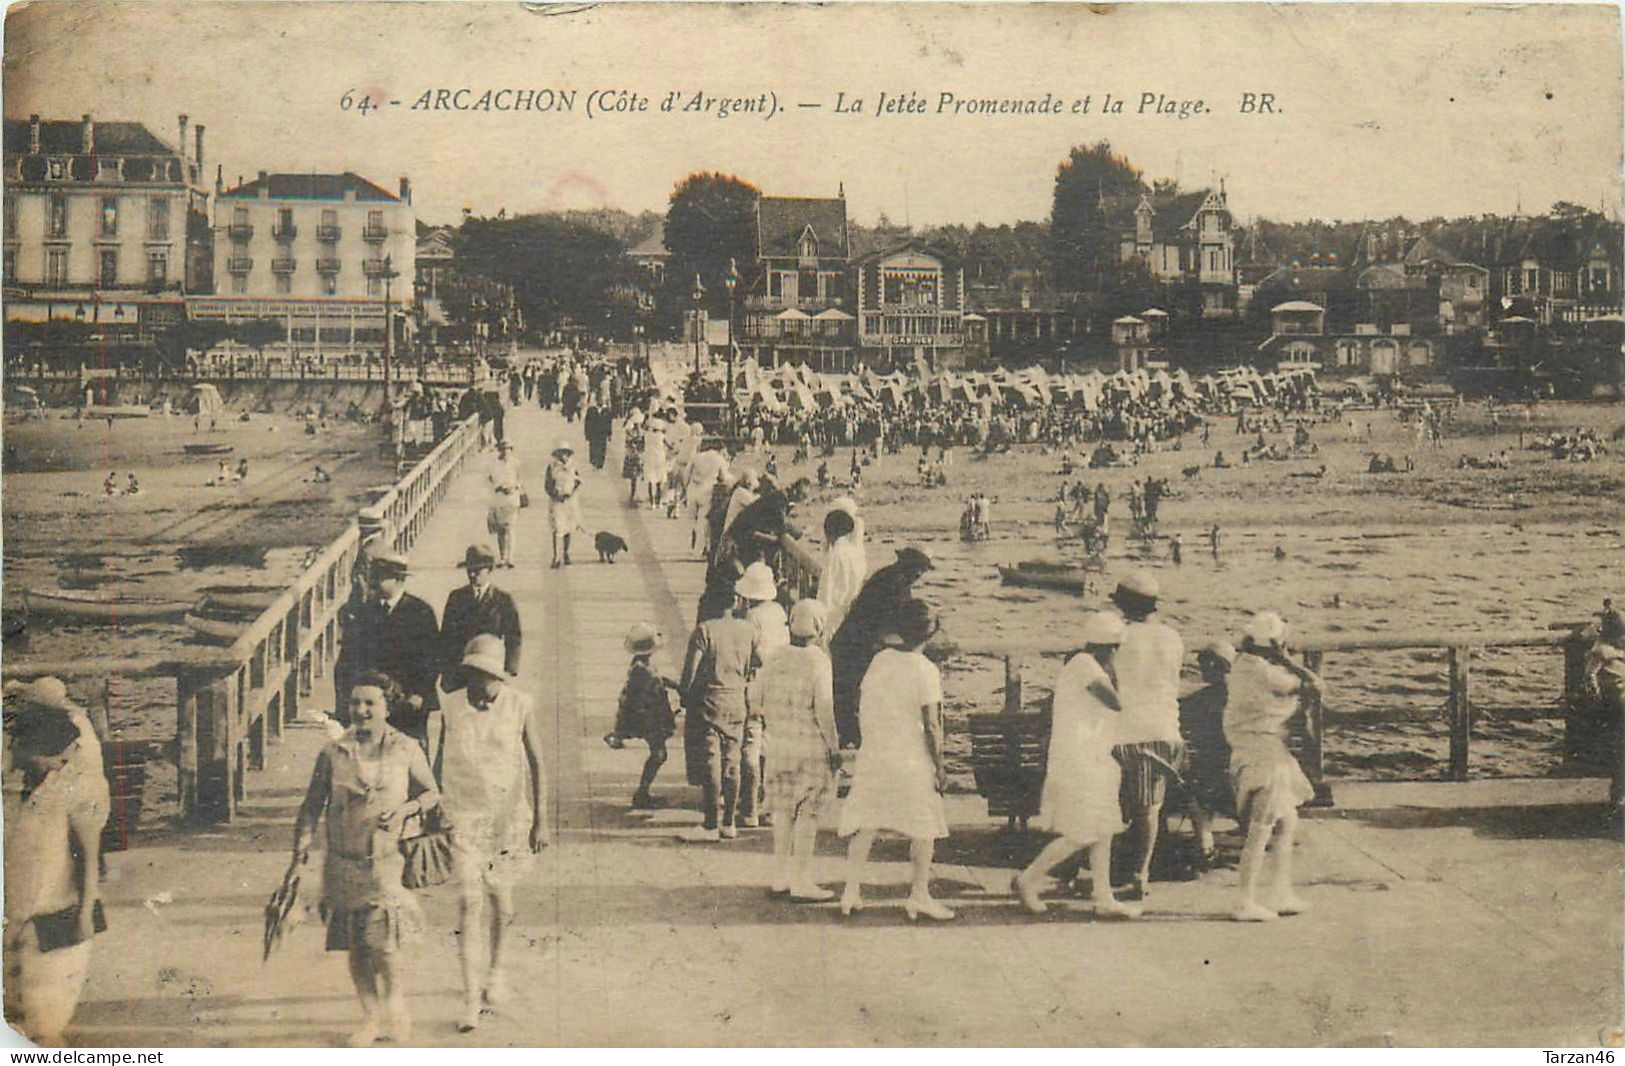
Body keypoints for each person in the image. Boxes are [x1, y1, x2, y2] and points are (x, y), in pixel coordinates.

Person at [291, 672, 440, 1046]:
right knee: (356, 943)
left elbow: (433, 792)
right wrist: (301, 850)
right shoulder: (332, 752)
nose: (360, 710)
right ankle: (370, 1017)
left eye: (370, 703)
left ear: (388, 707)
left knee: (384, 944)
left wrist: (408, 809)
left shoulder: (406, 748)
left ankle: (396, 1008)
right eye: (355, 702)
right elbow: (311, 805)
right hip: (343, 859)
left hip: (386, 860)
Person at [437, 636, 548, 1031]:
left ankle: (496, 971)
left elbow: (537, 763)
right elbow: (439, 760)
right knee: (469, 901)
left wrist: (542, 819)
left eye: (486, 678)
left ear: (500, 678)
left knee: (500, 896)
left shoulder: (520, 705)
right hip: (463, 815)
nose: (479, 685)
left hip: (506, 816)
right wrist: (434, 810)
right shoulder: (451, 705)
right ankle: (469, 1000)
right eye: (473, 675)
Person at [3, 679, 110, 1046]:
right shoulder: (16, 790)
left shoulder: (73, 790)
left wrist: (84, 914)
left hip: (58, 920)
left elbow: (89, 858)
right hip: (19, 920)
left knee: (44, 1028)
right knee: (18, 1025)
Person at [1011, 612, 1140, 919]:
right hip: (1080, 762)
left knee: (1104, 829)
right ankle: (1028, 879)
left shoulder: (1088, 664)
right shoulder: (1084, 666)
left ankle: (1103, 896)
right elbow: (1116, 702)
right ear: (1111, 647)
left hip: (1095, 760)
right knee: (1081, 833)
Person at [838, 600, 953, 920]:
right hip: (911, 756)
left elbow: (864, 704)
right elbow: (932, 725)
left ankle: (850, 892)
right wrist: (940, 765)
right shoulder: (926, 670)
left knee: (866, 823)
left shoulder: (880, 660)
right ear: (929, 635)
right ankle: (918, 894)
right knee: (923, 827)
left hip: (876, 752)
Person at [1225, 612, 1319, 922]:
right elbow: (1314, 684)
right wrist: (1287, 658)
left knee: (1287, 821)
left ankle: (1280, 890)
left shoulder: (1241, 665)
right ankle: (1244, 900)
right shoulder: (1268, 674)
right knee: (1262, 826)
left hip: (1253, 748)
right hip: (1264, 753)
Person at [750, 600, 839, 900]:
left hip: (779, 745)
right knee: (807, 813)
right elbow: (824, 710)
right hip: (810, 744)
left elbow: (755, 700)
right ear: (819, 628)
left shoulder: (774, 657)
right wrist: (835, 746)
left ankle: (780, 877)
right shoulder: (819, 661)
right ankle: (802, 881)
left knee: (783, 812)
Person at [1107, 571, 1185, 900]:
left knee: (1116, 804)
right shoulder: (1172, 637)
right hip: (1166, 728)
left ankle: (1124, 872)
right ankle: (1140, 872)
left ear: (1123, 605)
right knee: (1149, 808)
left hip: (1126, 730)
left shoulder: (1118, 637)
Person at [678, 577, 761, 841]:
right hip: (737, 702)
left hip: (709, 703)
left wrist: (684, 695)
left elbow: (688, 676)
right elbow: (756, 666)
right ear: (736, 601)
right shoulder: (749, 630)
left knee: (712, 760)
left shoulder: (704, 630)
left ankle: (710, 823)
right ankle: (729, 823)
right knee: (732, 760)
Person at [829, 545, 935, 749]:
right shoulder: (896, 583)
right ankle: (854, 742)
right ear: (907, 562)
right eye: (918, 568)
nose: (920, 573)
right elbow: (899, 620)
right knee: (851, 695)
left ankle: (850, 740)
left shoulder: (890, 576)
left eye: (923, 569)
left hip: (852, 642)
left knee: (847, 696)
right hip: (857, 645)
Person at [358, 552, 442, 746]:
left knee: (412, 750)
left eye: (381, 577)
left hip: (411, 699)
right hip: (376, 698)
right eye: (374, 576)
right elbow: (358, 655)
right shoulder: (367, 611)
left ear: (398, 579)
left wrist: (420, 693)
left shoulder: (420, 611)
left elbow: (432, 658)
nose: (375, 582)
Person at [606, 623, 681, 810]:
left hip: (652, 715)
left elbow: (657, 679)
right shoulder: (641, 669)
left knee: (658, 755)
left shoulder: (642, 664)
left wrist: (673, 685)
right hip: (650, 718)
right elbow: (638, 698)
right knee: (658, 755)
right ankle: (642, 793)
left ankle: (643, 792)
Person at [738, 561, 786, 828]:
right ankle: (770, 806)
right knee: (771, 745)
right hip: (778, 682)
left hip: (756, 683)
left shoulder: (751, 618)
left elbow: (752, 653)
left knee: (751, 745)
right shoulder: (779, 611)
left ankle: (749, 808)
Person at [1179, 642, 1237, 867]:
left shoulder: (1202, 699)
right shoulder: (1244, 695)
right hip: (1244, 770)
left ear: (1214, 666)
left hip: (1216, 777)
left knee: (1195, 794)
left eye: (1203, 664)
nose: (1200, 669)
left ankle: (1205, 846)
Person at [440, 544, 522, 693]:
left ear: (489, 570)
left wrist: (509, 669)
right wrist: (446, 671)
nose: (472, 575)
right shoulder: (456, 597)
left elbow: (514, 636)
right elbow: (446, 636)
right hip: (461, 670)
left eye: (477, 571)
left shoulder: (502, 599)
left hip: (489, 669)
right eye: (469, 570)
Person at [1582, 605, 1625, 807]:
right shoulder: (1602, 651)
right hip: (1616, 704)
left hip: (1620, 701)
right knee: (1620, 749)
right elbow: (1590, 675)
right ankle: (1619, 794)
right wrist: (1597, 697)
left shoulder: (1615, 649)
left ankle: (1620, 793)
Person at [817, 499, 868, 640]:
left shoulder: (835, 555)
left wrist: (821, 618)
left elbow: (826, 590)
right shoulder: (855, 551)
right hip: (851, 610)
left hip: (834, 615)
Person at [545, 441, 582, 568]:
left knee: (568, 529)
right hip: (557, 502)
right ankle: (556, 556)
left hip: (570, 502)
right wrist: (555, 494)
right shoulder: (552, 467)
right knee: (557, 528)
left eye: (566, 453)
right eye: (561, 453)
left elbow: (578, 482)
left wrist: (571, 492)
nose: (563, 456)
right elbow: (547, 485)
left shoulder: (574, 466)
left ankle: (566, 553)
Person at [486, 441, 523, 569]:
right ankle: (502, 557)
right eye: (503, 449)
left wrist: (513, 487)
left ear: (511, 450)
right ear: (499, 450)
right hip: (499, 498)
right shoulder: (494, 464)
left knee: (510, 528)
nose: (505, 452)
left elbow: (520, 480)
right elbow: (489, 480)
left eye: (508, 449)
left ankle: (510, 558)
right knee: (501, 530)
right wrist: (498, 487)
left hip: (512, 499)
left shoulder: (516, 464)